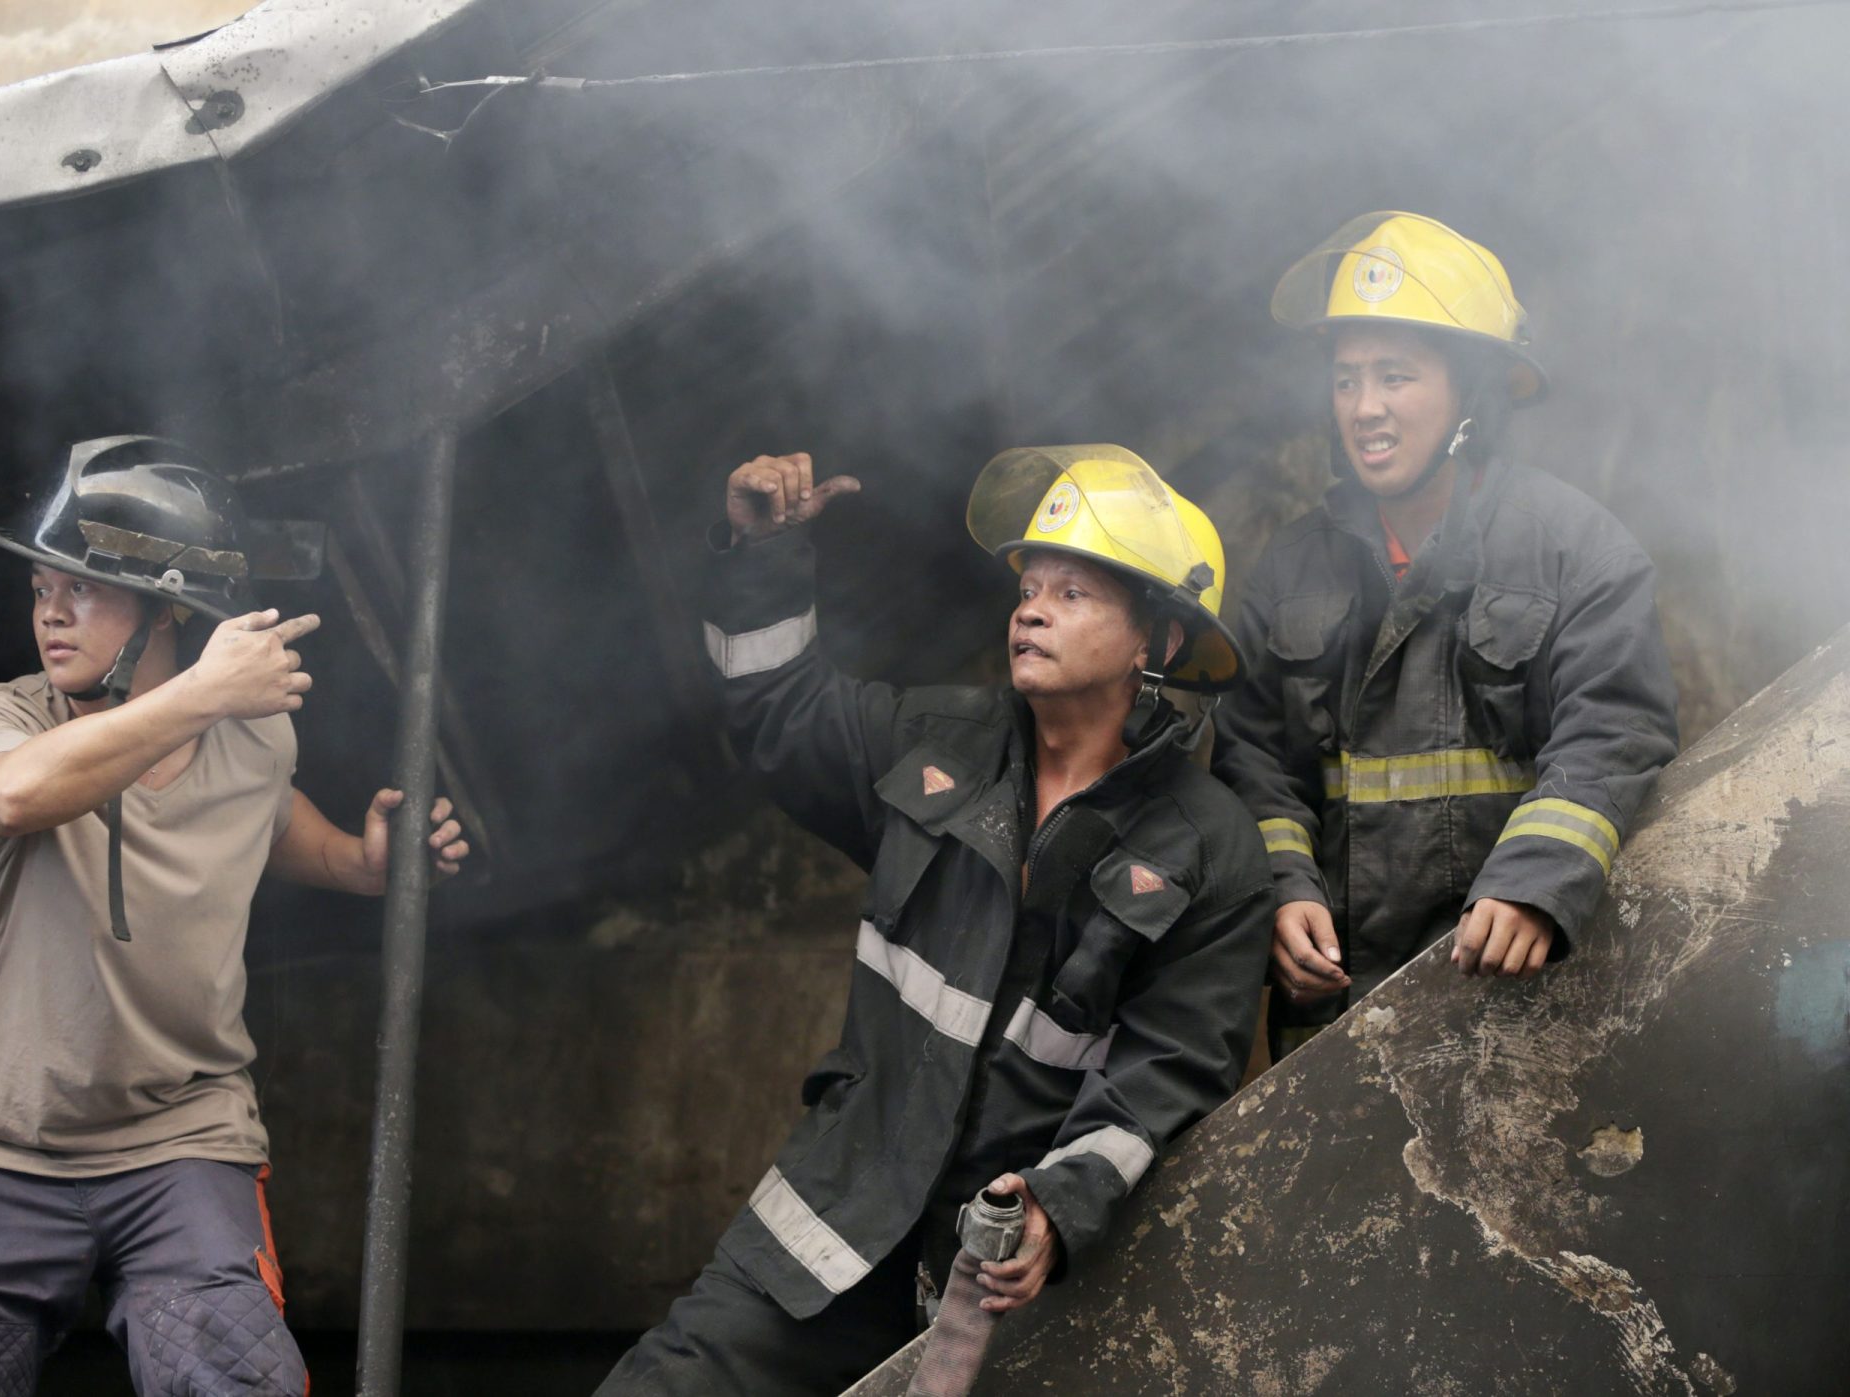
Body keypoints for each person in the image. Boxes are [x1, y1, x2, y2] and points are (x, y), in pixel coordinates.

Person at [599, 444, 1274, 1394]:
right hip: (826, 1232)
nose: (1031, 607)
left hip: (1002, 1286)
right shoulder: (933, 743)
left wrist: (1058, 1206)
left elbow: (1168, 1076)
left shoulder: (1212, 851)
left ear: (1156, 642)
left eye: (1073, 594)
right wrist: (764, 554)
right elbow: (780, 712)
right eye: (1029, 586)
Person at [0, 436, 470, 1396]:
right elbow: (9, 799)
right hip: (3, 1140)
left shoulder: (255, 730)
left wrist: (359, 862)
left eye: (83, 587)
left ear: (170, 602)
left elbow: (265, 813)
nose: (50, 610)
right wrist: (198, 694)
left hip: (183, 1138)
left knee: (233, 1375)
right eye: (40, 588)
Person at [1212, 212, 1679, 1055]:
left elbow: (1617, 728)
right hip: (1337, 1025)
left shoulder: (1576, 549)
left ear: (1474, 394)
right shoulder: (1290, 569)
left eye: (1396, 376)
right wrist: (1282, 886)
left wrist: (1539, 878)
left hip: (1520, 1011)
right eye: (1348, 379)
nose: (1365, 408)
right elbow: (1251, 760)